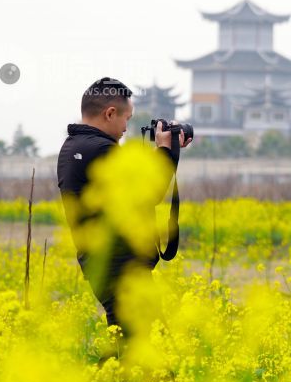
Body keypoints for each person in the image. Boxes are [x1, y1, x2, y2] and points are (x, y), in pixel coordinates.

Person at [56, 77, 191, 343]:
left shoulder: (74, 147)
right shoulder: (101, 150)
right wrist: (166, 151)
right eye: (126, 119)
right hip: (120, 268)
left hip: (106, 265)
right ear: (110, 113)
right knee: (150, 350)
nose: (126, 128)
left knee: (129, 349)